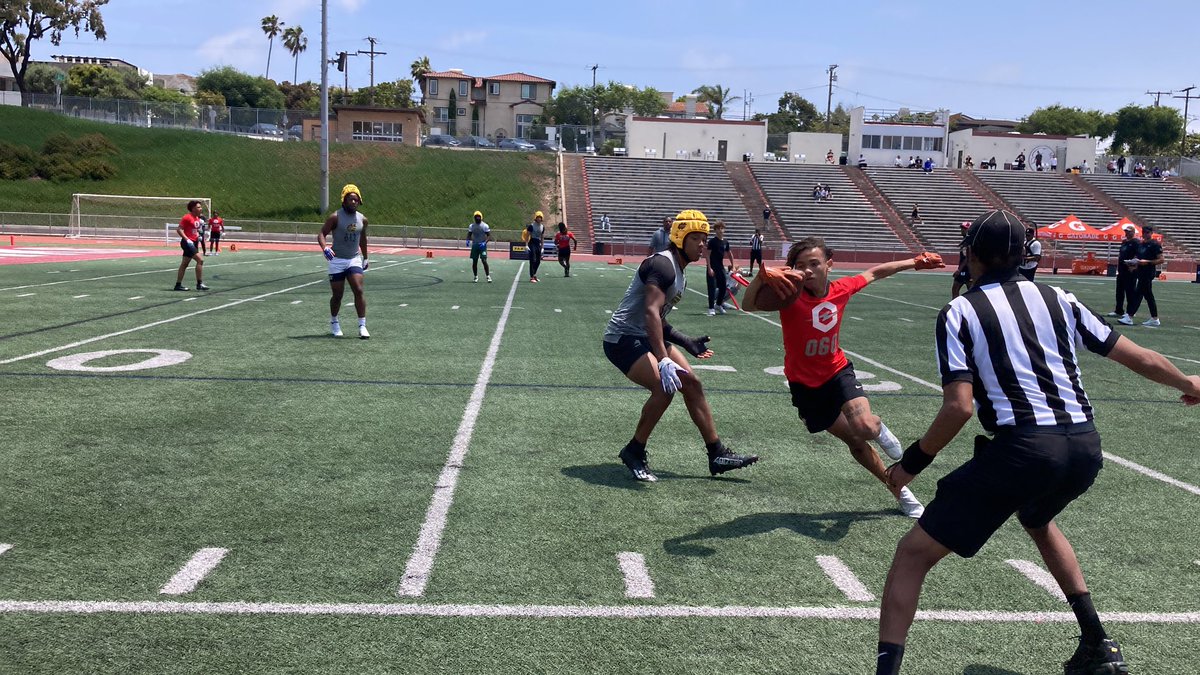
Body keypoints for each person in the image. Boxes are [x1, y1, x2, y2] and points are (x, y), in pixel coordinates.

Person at [872, 208, 1200, 675]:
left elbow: (959, 407)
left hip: (1025, 448)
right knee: (1038, 518)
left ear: (973, 255)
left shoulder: (961, 311)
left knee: (911, 556)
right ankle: (1097, 644)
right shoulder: (1059, 298)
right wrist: (1189, 383)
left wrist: (910, 464)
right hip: (1085, 446)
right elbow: (1139, 356)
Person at [742, 239, 943, 519]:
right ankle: (900, 491)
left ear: (828, 265)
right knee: (856, 443)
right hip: (805, 387)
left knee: (866, 428)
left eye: (814, 263)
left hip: (837, 371)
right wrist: (762, 278)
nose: (808, 271)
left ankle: (879, 428)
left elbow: (876, 272)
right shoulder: (789, 296)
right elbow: (748, 305)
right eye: (800, 266)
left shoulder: (841, 289)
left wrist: (915, 262)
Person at [603, 208, 759, 482]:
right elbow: (651, 312)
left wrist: (685, 341)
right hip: (623, 339)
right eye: (696, 238)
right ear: (679, 238)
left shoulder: (680, 270)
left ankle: (716, 453)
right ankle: (634, 450)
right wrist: (664, 359)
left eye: (704, 238)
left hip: (645, 336)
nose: (703, 244)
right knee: (665, 388)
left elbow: (658, 320)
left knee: (692, 384)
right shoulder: (662, 265)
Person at [318, 184, 370, 339]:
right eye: (350, 199)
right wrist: (325, 248)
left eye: (356, 199)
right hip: (337, 260)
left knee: (358, 290)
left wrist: (366, 257)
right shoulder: (335, 217)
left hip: (354, 258)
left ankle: (362, 325)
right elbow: (321, 233)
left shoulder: (362, 219)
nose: (353, 202)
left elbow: (363, 239)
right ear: (344, 200)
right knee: (337, 295)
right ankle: (334, 321)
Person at [1119, 225, 1163, 327]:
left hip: (1148, 273)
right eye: (1144, 232)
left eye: (1147, 232)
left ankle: (1129, 316)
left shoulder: (1155, 244)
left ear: (1151, 233)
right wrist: (1133, 265)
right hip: (1141, 272)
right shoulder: (1141, 244)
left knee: (1138, 294)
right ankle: (1154, 318)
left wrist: (1147, 262)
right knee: (1148, 296)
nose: (1145, 234)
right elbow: (1139, 258)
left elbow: (1161, 259)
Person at [173, 201, 209, 291]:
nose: (201, 209)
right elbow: (179, 229)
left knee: (184, 264)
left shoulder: (197, 218)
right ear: (193, 208)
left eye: (200, 207)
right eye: (198, 207)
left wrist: (198, 236)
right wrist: (187, 239)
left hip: (194, 242)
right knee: (200, 260)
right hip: (188, 243)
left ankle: (178, 285)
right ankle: (199, 283)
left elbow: (193, 230)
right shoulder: (187, 217)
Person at [1107, 224, 1140, 319]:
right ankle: (1119, 310)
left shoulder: (1136, 242)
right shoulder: (1124, 242)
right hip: (1121, 270)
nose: (1126, 233)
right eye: (1126, 231)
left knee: (1130, 292)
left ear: (1133, 232)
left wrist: (1133, 265)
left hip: (1130, 270)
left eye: (1128, 231)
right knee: (1119, 292)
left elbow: (1138, 255)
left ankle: (1131, 311)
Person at [705, 221, 735, 316]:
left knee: (723, 287)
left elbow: (729, 254)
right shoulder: (712, 242)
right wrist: (709, 268)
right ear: (715, 230)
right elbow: (707, 255)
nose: (720, 230)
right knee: (712, 288)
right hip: (712, 267)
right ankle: (711, 308)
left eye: (722, 228)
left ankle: (718, 304)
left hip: (721, 267)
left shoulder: (726, 242)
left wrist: (733, 265)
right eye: (718, 228)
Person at [467, 210, 492, 283]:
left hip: (482, 245)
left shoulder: (485, 226)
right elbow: (469, 234)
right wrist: (467, 240)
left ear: (481, 217)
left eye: (479, 217)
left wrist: (485, 243)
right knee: (474, 261)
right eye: (476, 217)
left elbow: (489, 236)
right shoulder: (472, 226)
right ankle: (475, 276)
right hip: (475, 245)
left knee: (484, 260)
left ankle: (488, 276)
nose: (477, 218)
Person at [951, 223, 972, 298]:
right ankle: (955, 307)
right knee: (955, 289)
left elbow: (968, 258)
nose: (962, 230)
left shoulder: (969, 241)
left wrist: (959, 270)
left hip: (968, 270)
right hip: (963, 269)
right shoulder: (965, 240)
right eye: (962, 228)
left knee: (971, 291)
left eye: (964, 228)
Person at [523, 210, 546, 283]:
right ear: (535, 218)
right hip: (532, 242)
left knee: (538, 261)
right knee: (533, 259)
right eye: (538, 217)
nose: (539, 218)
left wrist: (542, 247)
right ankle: (531, 276)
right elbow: (527, 235)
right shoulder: (531, 226)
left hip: (538, 243)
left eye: (540, 217)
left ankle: (534, 274)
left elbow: (542, 237)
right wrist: (526, 245)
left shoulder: (542, 227)